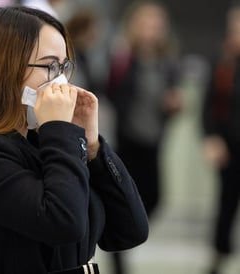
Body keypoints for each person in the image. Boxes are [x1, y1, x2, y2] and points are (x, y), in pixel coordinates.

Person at [0, 6, 148, 274]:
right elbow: (63, 222)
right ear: (5, 69)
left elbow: (130, 231)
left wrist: (93, 147)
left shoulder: (45, 141)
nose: (62, 80)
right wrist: (59, 129)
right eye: (50, 66)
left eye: (64, 66)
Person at [104, 1, 181, 273]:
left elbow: (173, 97)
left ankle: (123, 232)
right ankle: (118, 251)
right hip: (127, 140)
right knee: (122, 196)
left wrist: (174, 106)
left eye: (156, 25)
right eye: (146, 24)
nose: (151, 30)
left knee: (155, 196)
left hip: (153, 140)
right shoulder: (124, 56)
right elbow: (111, 91)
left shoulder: (167, 61)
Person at [202, 4, 240, 274]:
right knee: (227, 204)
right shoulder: (223, 60)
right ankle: (218, 255)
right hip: (230, 146)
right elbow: (209, 106)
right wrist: (211, 137)